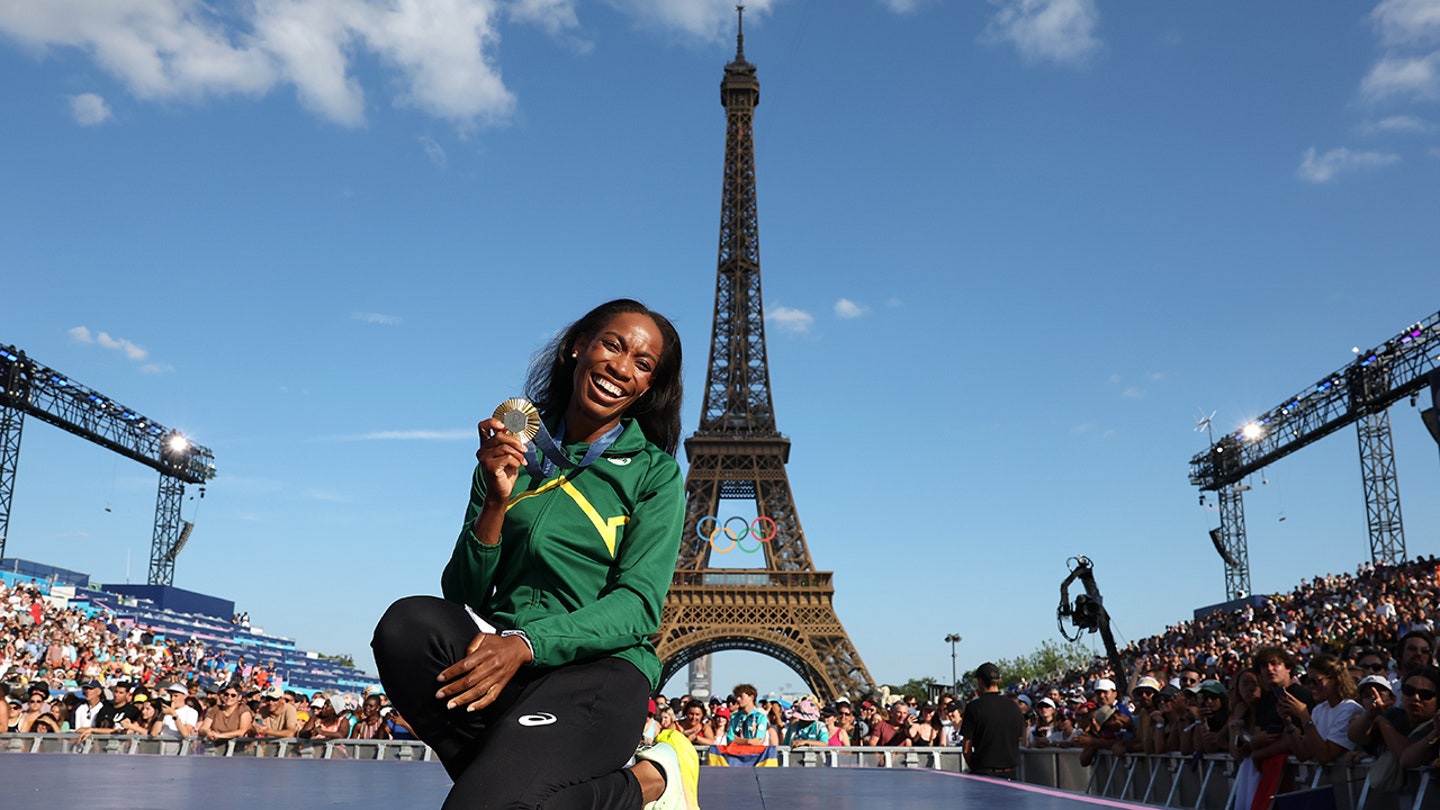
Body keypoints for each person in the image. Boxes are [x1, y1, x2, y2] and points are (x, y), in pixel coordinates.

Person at [370, 299, 698, 810]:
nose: (621, 368)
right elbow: (463, 593)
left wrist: (525, 643)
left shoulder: (654, 473)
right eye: (612, 344)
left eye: (643, 363)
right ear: (577, 347)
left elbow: (638, 606)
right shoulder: (515, 450)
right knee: (407, 625)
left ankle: (648, 782)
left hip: (598, 670)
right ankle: (524, 782)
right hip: (507, 660)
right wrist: (496, 501)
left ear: (649, 387)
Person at [962, 662, 1025, 779]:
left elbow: (966, 749)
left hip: (983, 774)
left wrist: (975, 768)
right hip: (1010, 774)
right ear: (998, 681)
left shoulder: (974, 707)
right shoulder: (1013, 706)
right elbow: (1020, 738)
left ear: (980, 681)